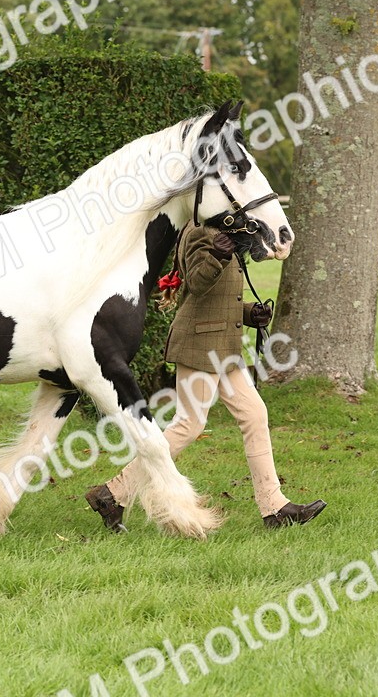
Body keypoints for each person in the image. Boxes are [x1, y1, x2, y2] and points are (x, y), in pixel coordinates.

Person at [85, 224, 325, 532]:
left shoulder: (225, 231)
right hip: (201, 344)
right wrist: (217, 253)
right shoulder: (200, 233)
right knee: (189, 424)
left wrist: (251, 314)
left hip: (223, 345)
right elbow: (197, 285)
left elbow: (218, 299)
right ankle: (112, 494)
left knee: (254, 414)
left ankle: (274, 507)